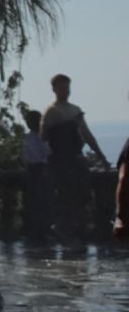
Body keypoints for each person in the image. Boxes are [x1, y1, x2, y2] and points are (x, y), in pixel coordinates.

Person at [40, 74, 108, 243]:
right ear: (54, 89)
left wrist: (102, 157)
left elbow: (87, 135)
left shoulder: (75, 109)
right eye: (62, 87)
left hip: (76, 160)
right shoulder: (51, 110)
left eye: (68, 87)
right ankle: (63, 229)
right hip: (61, 162)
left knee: (83, 196)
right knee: (66, 197)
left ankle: (73, 230)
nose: (66, 91)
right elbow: (44, 137)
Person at [21, 109, 49, 244]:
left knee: (43, 205)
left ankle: (42, 231)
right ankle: (37, 232)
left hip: (41, 173)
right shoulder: (29, 138)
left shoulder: (44, 137)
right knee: (35, 205)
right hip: (34, 173)